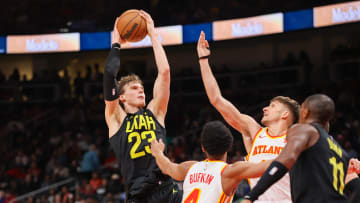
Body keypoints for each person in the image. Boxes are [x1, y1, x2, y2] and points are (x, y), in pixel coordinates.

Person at [197, 31, 299, 202]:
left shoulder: (296, 138)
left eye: (272, 106)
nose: (265, 108)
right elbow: (217, 100)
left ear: (285, 114)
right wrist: (203, 60)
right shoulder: (254, 132)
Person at [103, 10, 180, 203]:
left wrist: (153, 34)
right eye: (135, 88)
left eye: (142, 88)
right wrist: (116, 44)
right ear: (121, 97)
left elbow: (165, 72)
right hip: (140, 196)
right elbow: (109, 75)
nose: (141, 91)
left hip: (166, 189)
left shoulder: (156, 112)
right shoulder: (116, 119)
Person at [241, 94, 360, 203]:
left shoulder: (304, 130)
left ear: (305, 112)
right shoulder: (340, 152)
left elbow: (286, 159)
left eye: (301, 108)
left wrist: (251, 196)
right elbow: (357, 188)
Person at [150, 120, 272, 203]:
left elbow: (168, 167)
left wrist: (157, 153)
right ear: (229, 146)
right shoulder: (229, 172)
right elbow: (267, 166)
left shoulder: (190, 167)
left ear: (203, 148)